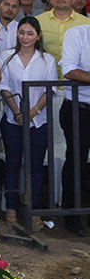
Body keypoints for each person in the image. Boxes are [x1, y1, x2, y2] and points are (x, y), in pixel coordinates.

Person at [0, 17, 54, 229]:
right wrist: (17, 111)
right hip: (12, 119)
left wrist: (33, 112)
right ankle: (11, 208)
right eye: (21, 32)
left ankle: (33, 210)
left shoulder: (47, 60)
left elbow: (50, 90)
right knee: (12, 163)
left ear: (38, 36)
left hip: (39, 121)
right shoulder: (6, 56)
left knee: (35, 166)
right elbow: (4, 86)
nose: (25, 37)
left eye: (30, 33)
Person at [59, 21, 90, 235]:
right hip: (78, 108)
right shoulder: (77, 33)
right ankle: (71, 215)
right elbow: (69, 70)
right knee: (76, 160)